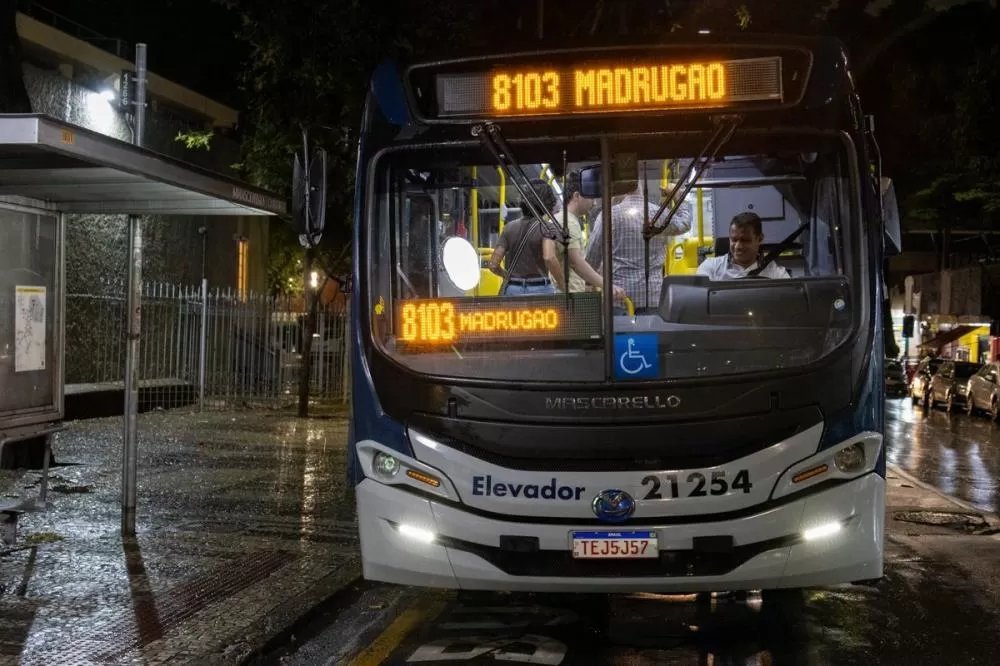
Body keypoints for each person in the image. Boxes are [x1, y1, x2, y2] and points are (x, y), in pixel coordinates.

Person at [584, 178, 692, 313]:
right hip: (652, 297)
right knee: (651, 334)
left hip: (618, 298)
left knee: (620, 334)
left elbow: (592, 257)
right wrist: (678, 196)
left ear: (619, 189)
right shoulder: (657, 214)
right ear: (640, 185)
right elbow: (685, 223)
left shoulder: (607, 216)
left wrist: (589, 283)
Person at [541, 170, 625, 302]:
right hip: (570, 298)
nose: (594, 203)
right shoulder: (568, 221)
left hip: (568, 294)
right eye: (591, 197)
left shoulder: (561, 219)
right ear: (577, 196)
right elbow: (576, 263)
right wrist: (608, 286)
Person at [488, 179, 557, 296]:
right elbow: (549, 257)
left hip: (513, 289)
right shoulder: (547, 228)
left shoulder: (509, 228)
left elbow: (493, 265)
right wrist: (562, 283)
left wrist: (508, 276)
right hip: (540, 289)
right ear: (547, 203)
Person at [697, 212, 791, 280]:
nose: (738, 246)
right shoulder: (710, 269)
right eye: (734, 240)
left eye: (745, 240)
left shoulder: (776, 275)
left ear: (760, 239)